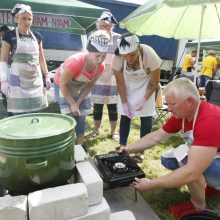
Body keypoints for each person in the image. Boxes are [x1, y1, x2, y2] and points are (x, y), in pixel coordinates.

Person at [119, 78, 220, 219]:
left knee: (187, 162)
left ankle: (200, 207)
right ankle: (211, 187)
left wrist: (152, 184)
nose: (169, 108)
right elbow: (156, 137)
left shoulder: (210, 120)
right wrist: (129, 149)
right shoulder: (184, 114)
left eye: (172, 104)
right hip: (213, 156)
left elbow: (191, 171)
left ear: (189, 101)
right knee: (169, 159)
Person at [53, 30, 110, 145]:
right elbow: (63, 84)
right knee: (68, 116)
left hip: (81, 85)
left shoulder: (101, 66)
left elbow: (89, 85)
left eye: (103, 56)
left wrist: (78, 102)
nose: (100, 60)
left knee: (81, 115)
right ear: (88, 52)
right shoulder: (76, 62)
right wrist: (72, 104)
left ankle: (79, 144)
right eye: (97, 56)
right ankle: (66, 144)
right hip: (63, 85)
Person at [112, 33, 161, 162]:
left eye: (132, 55)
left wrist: (144, 99)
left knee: (146, 116)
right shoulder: (117, 58)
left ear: (138, 49)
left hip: (147, 84)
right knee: (125, 114)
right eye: (125, 56)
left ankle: (140, 151)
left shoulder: (149, 54)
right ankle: (123, 146)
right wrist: (124, 102)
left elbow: (154, 82)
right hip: (128, 84)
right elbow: (120, 82)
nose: (129, 59)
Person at [0, 4, 51, 115]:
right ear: (17, 18)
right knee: (19, 114)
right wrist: (3, 80)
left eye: (29, 19)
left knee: (35, 113)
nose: (27, 22)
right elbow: (3, 59)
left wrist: (46, 75)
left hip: (35, 80)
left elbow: (41, 59)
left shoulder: (37, 36)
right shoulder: (9, 35)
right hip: (18, 81)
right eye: (24, 18)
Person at [87, 11, 120, 140]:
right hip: (98, 76)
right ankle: (96, 130)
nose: (104, 28)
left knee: (113, 106)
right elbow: (88, 55)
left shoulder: (118, 38)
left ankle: (114, 131)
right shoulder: (93, 37)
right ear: (98, 26)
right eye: (102, 26)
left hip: (113, 77)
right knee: (97, 105)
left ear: (112, 26)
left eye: (107, 26)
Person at [0, 25, 13, 116]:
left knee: (7, 95)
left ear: (3, 32)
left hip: (8, 71)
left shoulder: (7, 41)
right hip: (7, 70)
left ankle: (11, 114)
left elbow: (6, 59)